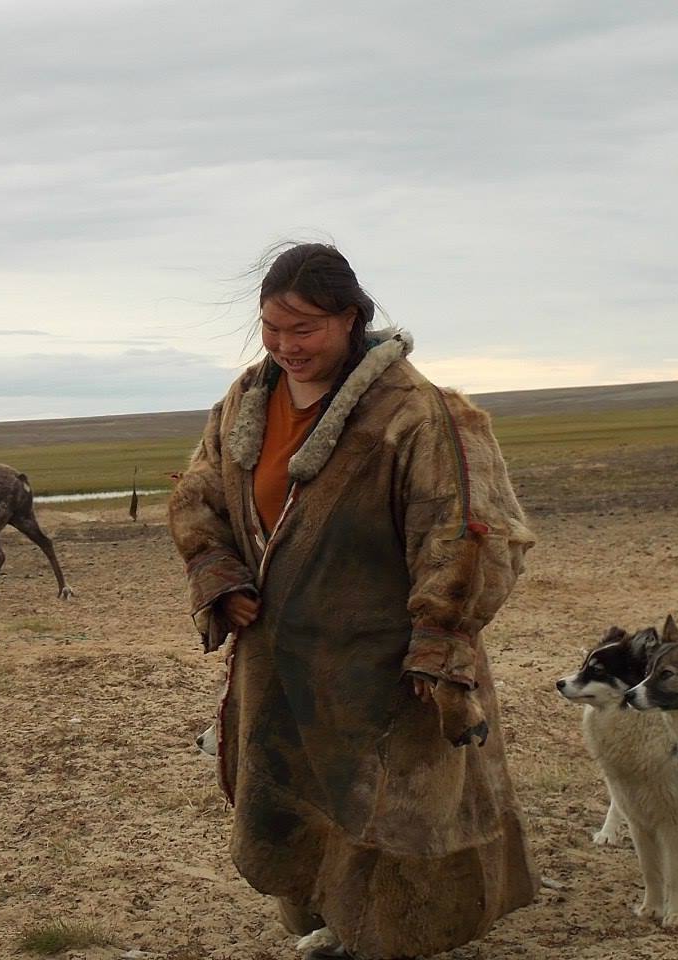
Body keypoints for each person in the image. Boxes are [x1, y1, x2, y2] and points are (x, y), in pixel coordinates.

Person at [168, 243, 538, 960]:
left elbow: (465, 531)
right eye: (272, 327)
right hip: (282, 656)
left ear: (349, 318)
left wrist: (439, 639)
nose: (285, 345)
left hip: (386, 659)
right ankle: (332, 927)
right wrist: (216, 571)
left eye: (303, 328)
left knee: (392, 808)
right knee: (299, 794)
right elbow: (199, 493)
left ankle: (391, 940)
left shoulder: (413, 411)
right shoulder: (248, 400)